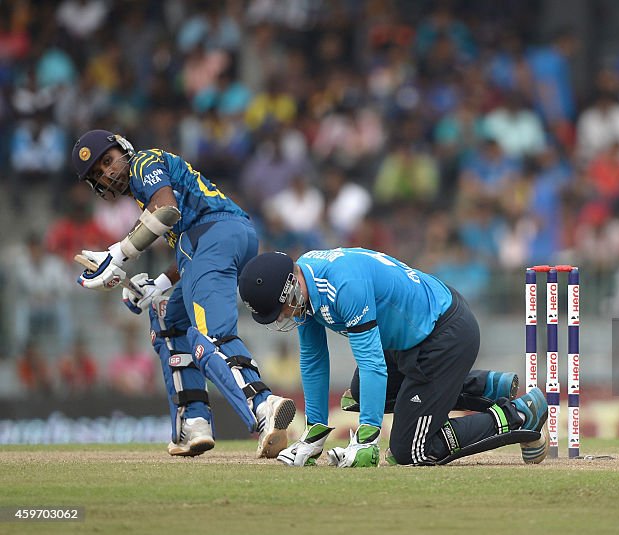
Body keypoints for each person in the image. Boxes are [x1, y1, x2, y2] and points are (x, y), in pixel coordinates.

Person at [69, 129, 295, 458]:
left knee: (211, 336)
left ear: (123, 148)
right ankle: (194, 421)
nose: (108, 172)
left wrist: (117, 254)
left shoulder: (144, 162)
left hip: (213, 236)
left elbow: (168, 212)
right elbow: (188, 246)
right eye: (98, 174)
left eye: (107, 160)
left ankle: (264, 405)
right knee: (168, 318)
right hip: (219, 238)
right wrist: (159, 284)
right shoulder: (145, 189)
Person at [237, 248, 549, 467]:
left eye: (282, 308)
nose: (285, 316)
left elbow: (372, 363)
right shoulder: (303, 282)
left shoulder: (344, 287)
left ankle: (521, 415)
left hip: (444, 334)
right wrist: (314, 432)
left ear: (292, 284)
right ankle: (485, 387)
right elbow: (313, 359)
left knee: (411, 449)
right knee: (360, 394)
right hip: (411, 336)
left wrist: (367, 439)